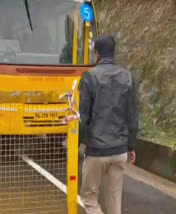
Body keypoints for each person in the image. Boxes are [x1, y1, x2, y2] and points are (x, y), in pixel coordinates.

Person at [65, 35, 138, 214]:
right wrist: (131, 146)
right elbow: (133, 116)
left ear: (96, 53)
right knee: (114, 203)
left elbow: (83, 117)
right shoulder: (127, 77)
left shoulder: (89, 77)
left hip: (97, 151)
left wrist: (75, 145)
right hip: (120, 150)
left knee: (89, 198)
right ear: (113, 52)